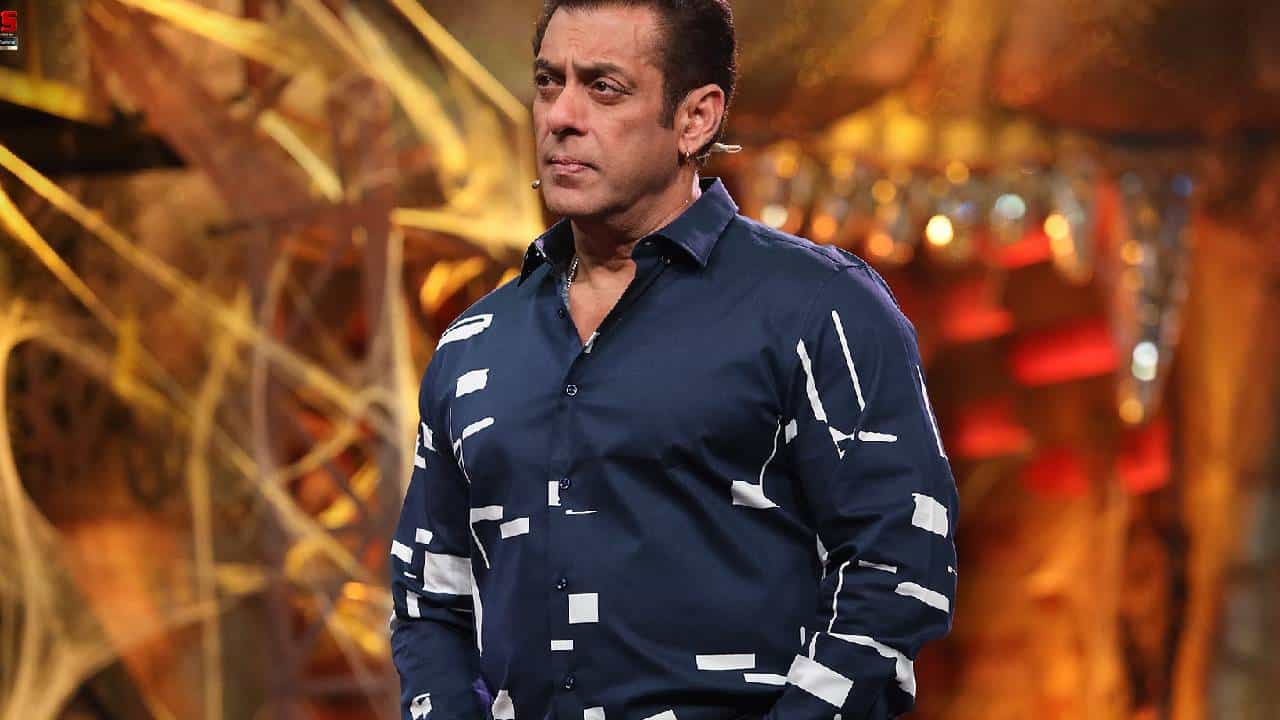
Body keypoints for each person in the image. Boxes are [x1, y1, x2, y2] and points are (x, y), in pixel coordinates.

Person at [388, 1, 958, 719]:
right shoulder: (476, 342)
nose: (561, 116)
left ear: (695, 119)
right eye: (548, 82)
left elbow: (898, 567)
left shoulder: (816, 309)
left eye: (604, 88)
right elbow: (428, 598)